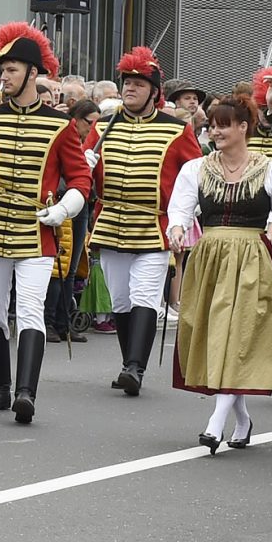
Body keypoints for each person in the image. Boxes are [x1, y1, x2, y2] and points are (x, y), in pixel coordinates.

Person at [0, 22, 95, 425]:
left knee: (30, 310)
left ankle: (26, 392)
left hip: (37, 226)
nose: (5, 77)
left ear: (33, 73)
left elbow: (80, 180)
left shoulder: (60, 124)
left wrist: (65, 208)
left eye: (13, 70)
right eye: (3, 71)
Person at [166, 96, 272, 451]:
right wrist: (178, 229)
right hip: (209, 259)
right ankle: (241, 418)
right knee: (218, 338)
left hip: (252, 261)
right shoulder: (196, 169)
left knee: (239, 337)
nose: (215, 131)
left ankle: (216, 422)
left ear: (244, 127)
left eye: (224, 124)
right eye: (212, 125)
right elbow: (179, 209)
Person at [91, 46, 200, 398]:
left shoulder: (177, 130)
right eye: (127, 83)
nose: (130, 89)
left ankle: (135, 367)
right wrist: (86, 166)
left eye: (138, 84)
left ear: (155, 92)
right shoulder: (102, 127)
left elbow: (196, 175)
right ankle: (129, 364)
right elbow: (85, 176)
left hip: (155, 226)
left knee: (145, 297)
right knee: (121, 299)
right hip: (110, 222)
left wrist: (184, 218)